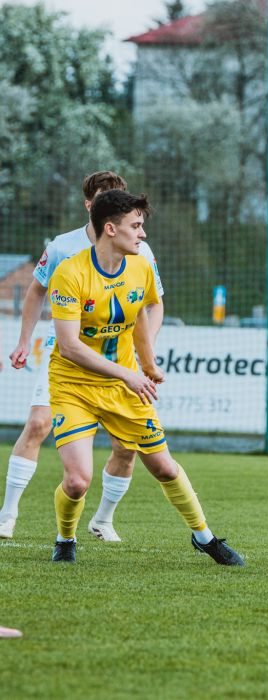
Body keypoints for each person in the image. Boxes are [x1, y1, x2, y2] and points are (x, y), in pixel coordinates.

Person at [45, 189, 242, 566]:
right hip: (73, 387)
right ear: (110, 229)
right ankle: (65, 539)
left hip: (123, 387)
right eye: (136, 226)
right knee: (77, 481)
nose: (143, 233)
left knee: (164, 466)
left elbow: (137, 318)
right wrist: (129, 374)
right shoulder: (70, 273)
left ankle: (205, 537)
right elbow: (68, 346)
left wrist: (148, 365)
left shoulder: (141, 267)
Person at [1, 171, 164, 542]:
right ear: (91, 206)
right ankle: (7, 514)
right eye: (106, 198)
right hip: (68, 355)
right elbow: (35, 291)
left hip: (118, 358)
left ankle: (103, 520)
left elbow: (154, 304)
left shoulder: (139, 248)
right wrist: (24, 341)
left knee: (127, 445)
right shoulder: (63, 246)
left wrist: (146, 352)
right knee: (38, 424)